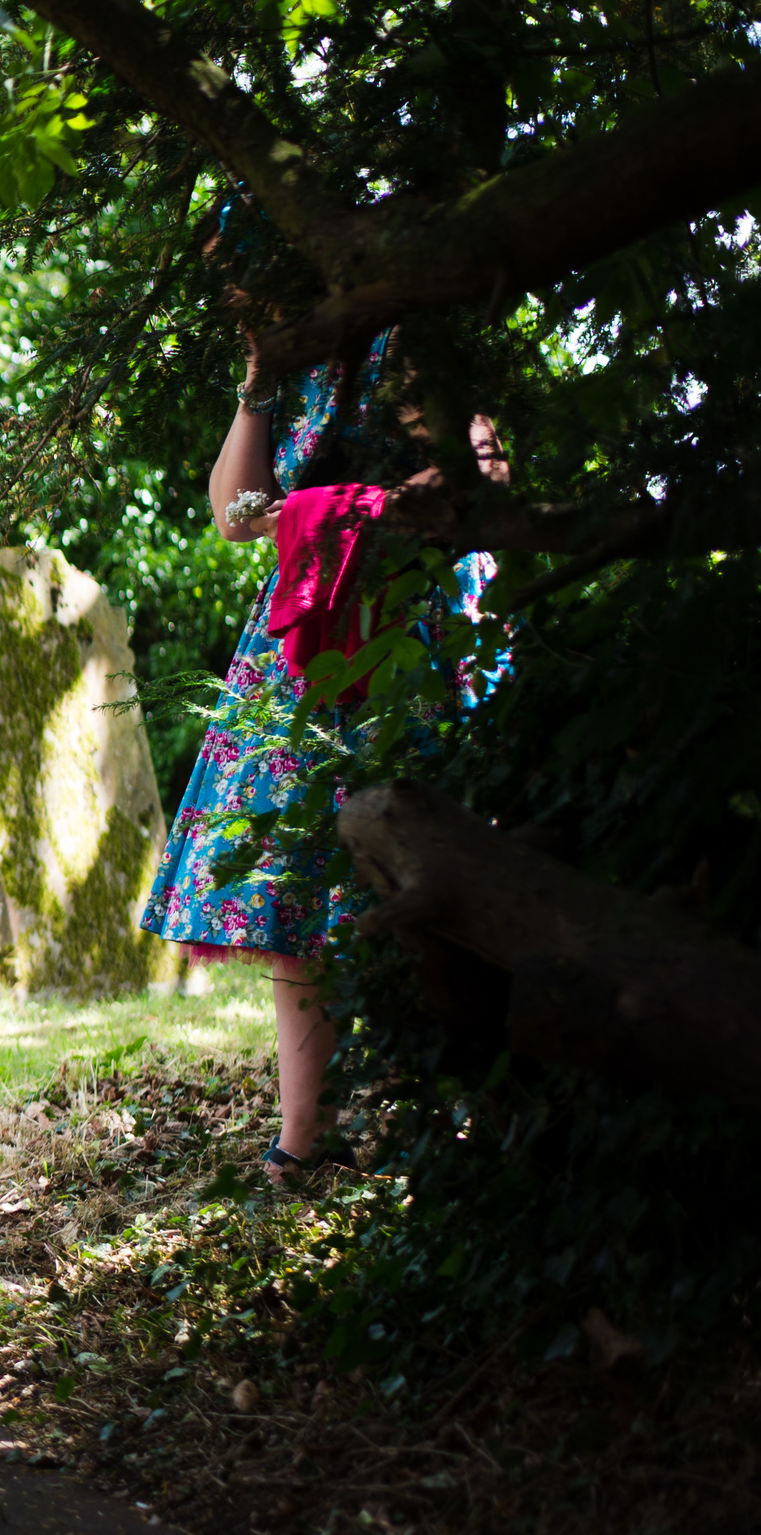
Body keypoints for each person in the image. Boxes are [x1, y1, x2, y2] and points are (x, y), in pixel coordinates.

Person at [142, 318, 500, 1179]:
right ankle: (305, 1136)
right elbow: (234, 517)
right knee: (293, 876)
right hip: (304, 633)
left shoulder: (425, 331)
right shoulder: (289, 367)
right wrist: (259, 375)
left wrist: (344, 513)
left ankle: (460, 1114)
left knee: (438, 861)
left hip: (420, 616)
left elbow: (483, 475)